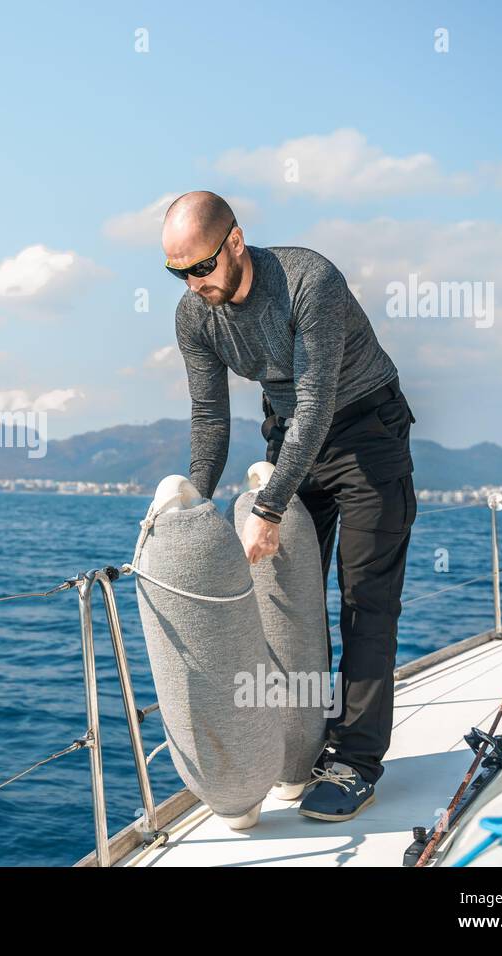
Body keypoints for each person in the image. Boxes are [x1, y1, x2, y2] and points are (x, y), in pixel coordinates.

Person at [163, 190, 417, 822]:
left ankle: (355, 761)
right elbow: (210, 417)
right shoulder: (195, 316)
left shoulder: (310, 281)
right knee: (285, 599)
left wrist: (268, 509)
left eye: (201, 267)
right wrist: (196, 503)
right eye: (178, 273)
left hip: (365, 434)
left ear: (236, 242)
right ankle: (297, 743)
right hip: (287, 437)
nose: (194, 285)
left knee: (364, 600)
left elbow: (317, 404)